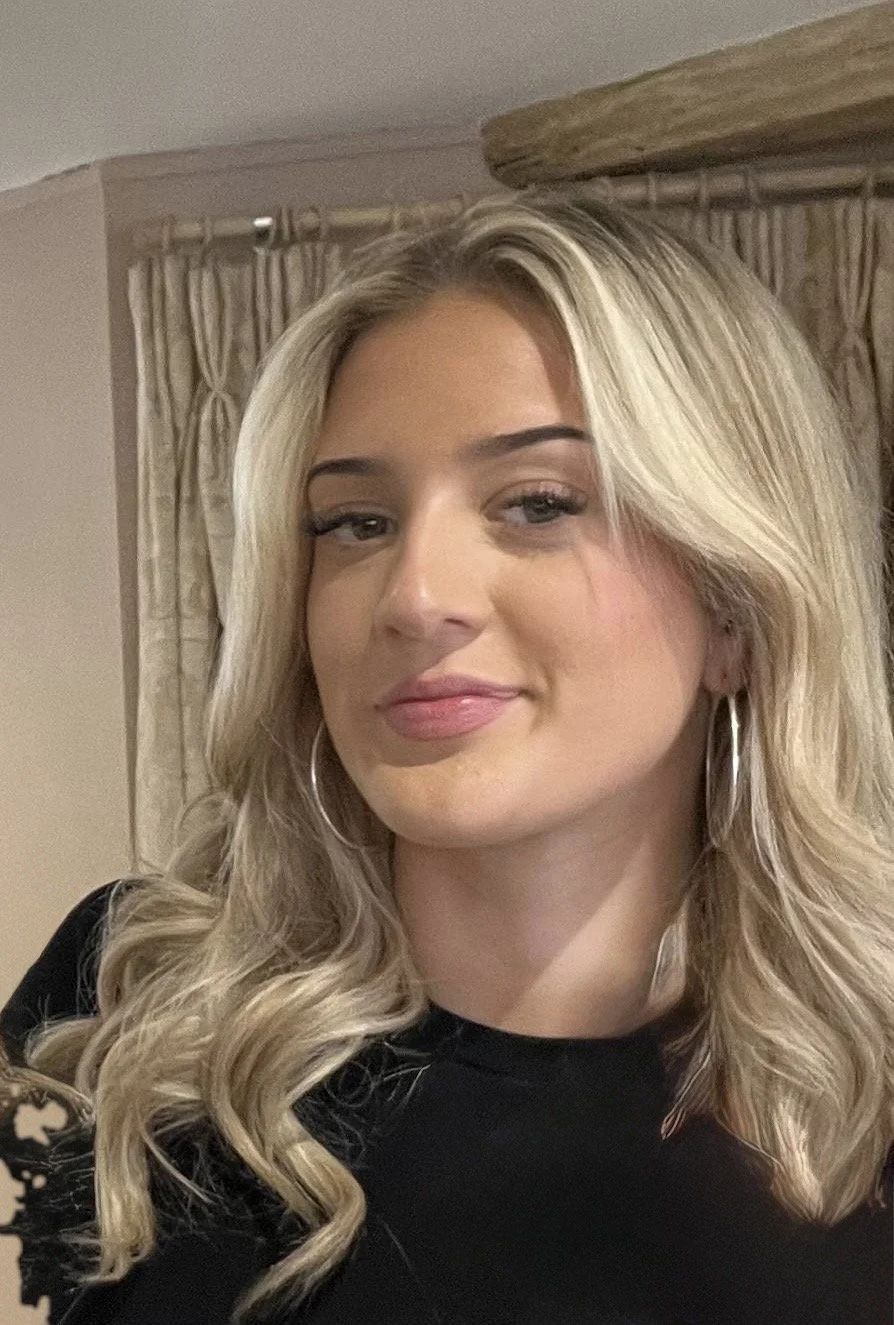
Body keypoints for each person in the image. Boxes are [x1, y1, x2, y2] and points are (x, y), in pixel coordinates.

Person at [1, 185, 892, 1325]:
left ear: (735, 610)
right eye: (355, 523)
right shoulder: (135, 995)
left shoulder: (865, 1085)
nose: (414, 596)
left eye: (537, 503)